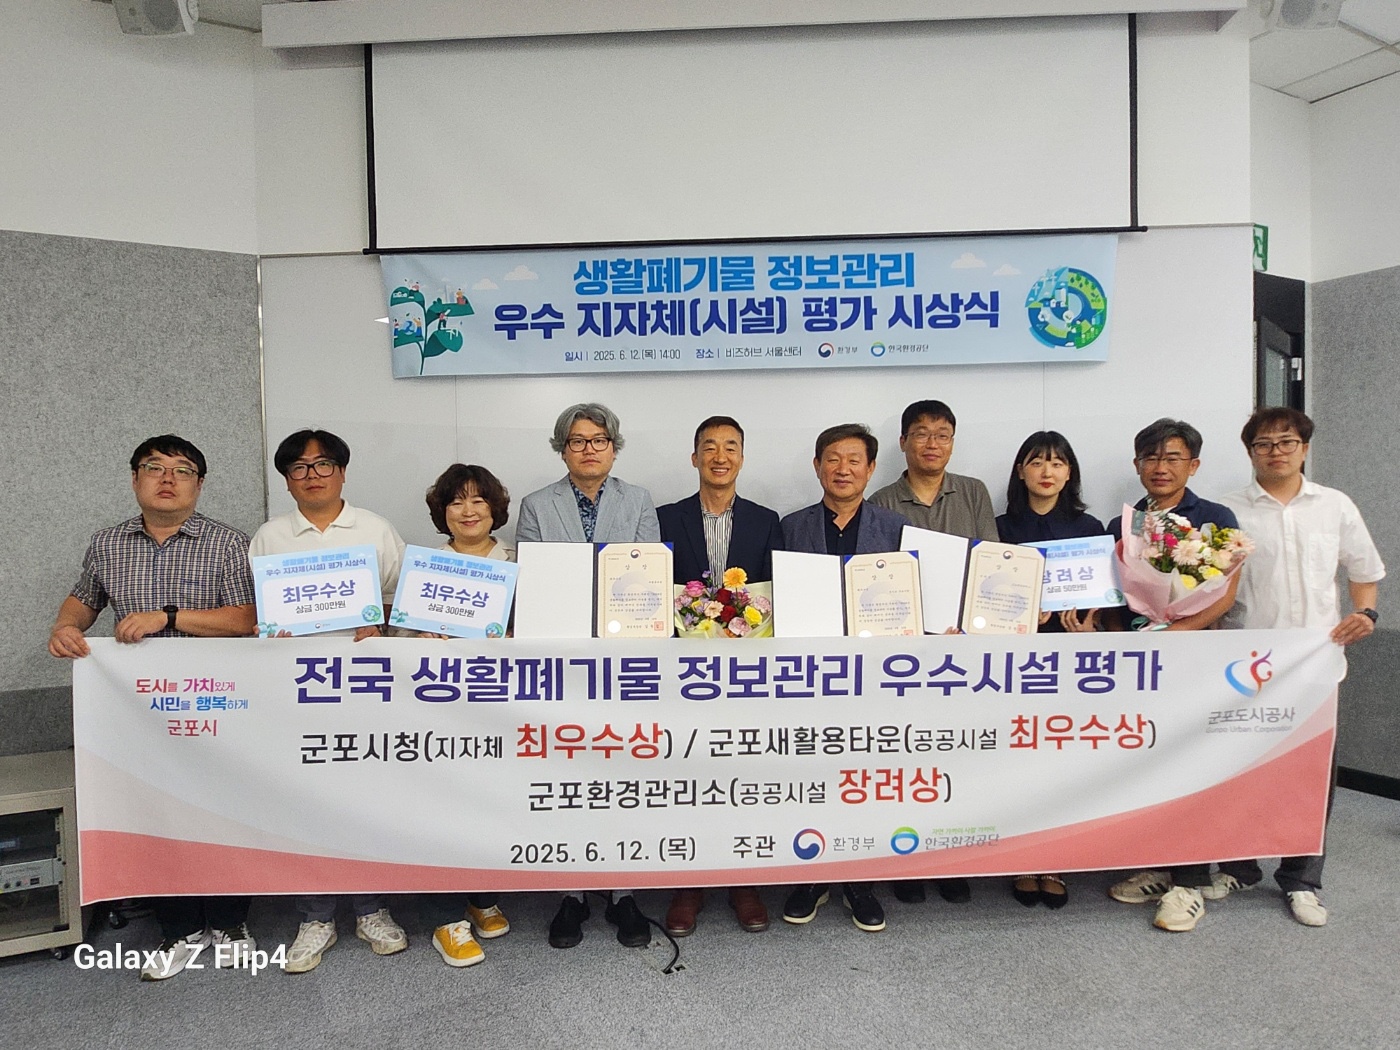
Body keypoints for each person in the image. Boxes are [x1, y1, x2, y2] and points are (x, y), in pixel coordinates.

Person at [48, 435, 258, 981]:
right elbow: (84, 599)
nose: (168, 479)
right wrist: (65, 626)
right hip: (139, 709)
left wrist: (168, 617)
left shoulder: (228, 542)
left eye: (182, 470)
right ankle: (179, 929)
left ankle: (230, 921)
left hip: (215, 702)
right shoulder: (107, 543)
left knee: (222, 809)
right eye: (154, 468)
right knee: (156, 813)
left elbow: (245, 620)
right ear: (134, 478)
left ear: (199, 484)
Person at [1216, 407, 1384, 927]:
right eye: (1264, 444)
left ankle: (1302, 879)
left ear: (1304, 448)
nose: (1276, 452)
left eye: (1286, 442)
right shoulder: (1227, 510)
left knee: (1311, 773)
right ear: (1249, 452)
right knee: (1241, 769)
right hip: (1246, 661)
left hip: (1315, 661)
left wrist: (1366, 613)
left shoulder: (1334, 505)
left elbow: (1365, 570)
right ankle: (1239, 867)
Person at [249, 429, 409, 973]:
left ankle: (371, 908)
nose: (312, 475)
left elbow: (404, 602)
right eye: (299, 467)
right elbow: (257, 611)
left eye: (323, 465)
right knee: (306, 799)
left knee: (368, 796)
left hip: (366, 687)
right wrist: (269, 631)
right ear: (286, 480)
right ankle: (315, 916)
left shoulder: (376, 529)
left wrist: (380, 626)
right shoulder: (270, 536)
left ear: (342, 471)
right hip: (299, 689)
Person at [515, 403, 659, 949]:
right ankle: (571, 892)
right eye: (577, 441)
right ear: (563, 449)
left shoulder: (638, 500)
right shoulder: (536, 505)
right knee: (568, 771)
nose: (589, 449)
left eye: (599, 440)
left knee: (622, 770)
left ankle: (623, 892)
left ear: (614, 448)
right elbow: (533, 582)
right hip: (562, 658)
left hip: (625, 660)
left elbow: (650, 575)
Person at [1105, 418, 1244, 933]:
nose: (1160, 467)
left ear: (1194, 465)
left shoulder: (1214, 519)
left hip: (1194, 661)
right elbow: (1115, 596)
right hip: (1140, 665)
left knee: (1193, 763)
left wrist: (1179, 630)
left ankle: (1189, 883)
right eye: (1150, 457)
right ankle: (1159, 866)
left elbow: (1226, 592)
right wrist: (1112, 633)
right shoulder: (1124, 522)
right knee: (1150, 761)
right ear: (1137, 464)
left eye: (1172, 458)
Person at [779, 423, 909, 933]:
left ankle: (858, 879)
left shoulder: (895, 528)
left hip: (873, 677)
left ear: (871, 469)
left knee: (861, 776)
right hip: (808, 676)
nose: (843, 469)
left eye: (854, 460)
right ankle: (811, 876)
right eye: (832, 459)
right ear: (817, 466)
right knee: (810, 776)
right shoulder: (791, 527)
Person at [656, 416, 783, 938]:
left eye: (731, 447)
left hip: (747, 675)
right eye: (709, 447)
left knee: (743, 775)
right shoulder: (664, 518)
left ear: (742, 458)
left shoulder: (766, 520)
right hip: (681, 677)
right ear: (694, 458)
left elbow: (778, 593)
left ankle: (742, 881)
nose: (720, 456)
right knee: (688, 775)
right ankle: (690, 882)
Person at [869, 399, 996, 906]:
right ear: (903, 442)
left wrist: (970, 625)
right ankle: (907, 860)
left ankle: (948, 858)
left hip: (962, 648)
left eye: (942, 434)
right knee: (905, 756)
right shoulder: (881, 500)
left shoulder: (974, 492)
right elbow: (876, 580)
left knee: (954, 754)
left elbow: (991, 563)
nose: (932, 443)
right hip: (904, 651)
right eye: (921, 433)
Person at [996, 431, 1105, 910]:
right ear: (1021, 471)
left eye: (1058, 463)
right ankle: (1023, 859)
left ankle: (1055, 860)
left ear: (1069, 473)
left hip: (1070, 660)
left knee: (1062, 760)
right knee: (1019, 760)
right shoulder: (999, 527)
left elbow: (1106, 601)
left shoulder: (1090, 527)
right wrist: (1018, 616)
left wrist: (1090, 626)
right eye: (1037, 462)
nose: (1047, 471)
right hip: (1016, 663)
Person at [419, 463, 516, 966]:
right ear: (443, 511)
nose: (468, 510)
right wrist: (420, 636)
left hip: (504, 711)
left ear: (495, 508)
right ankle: (445, 919)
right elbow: (400, 642)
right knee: (444, 808)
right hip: (444, 715)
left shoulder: (520, 563)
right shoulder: (427, 568)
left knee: (490, 804)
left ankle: (482, 898)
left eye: (478, 500)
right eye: (456, 501)